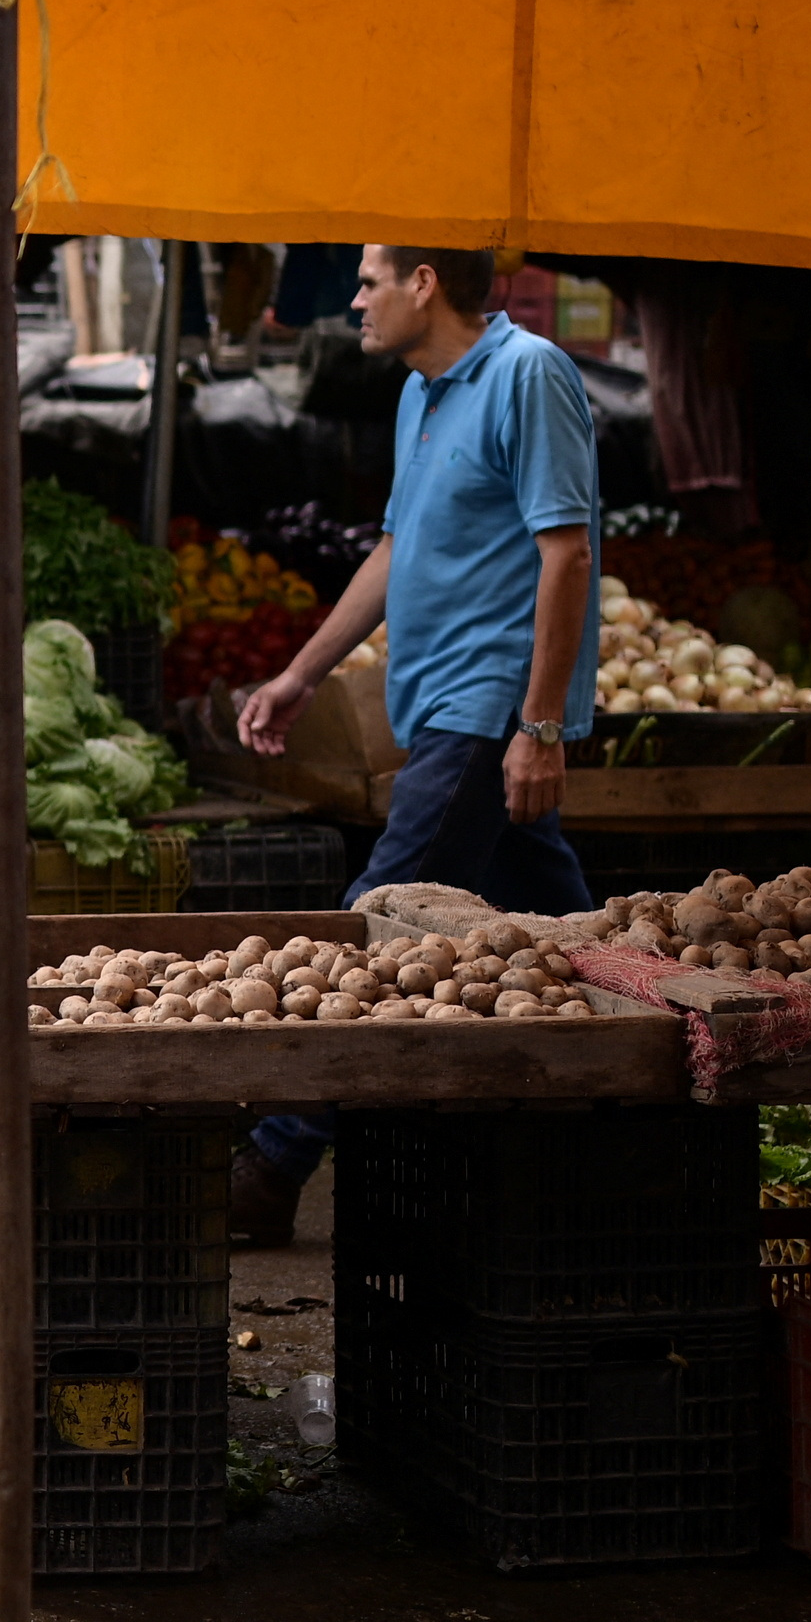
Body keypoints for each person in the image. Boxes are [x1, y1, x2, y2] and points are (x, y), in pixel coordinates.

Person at [231, 243, 598, 1243]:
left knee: (373, 930)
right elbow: (392, 551)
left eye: (367, 281)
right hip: (437, 708)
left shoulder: (529, 375)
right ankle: (635, 1118)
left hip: (487, 714)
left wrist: (537, 725)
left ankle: (273, 1161)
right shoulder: (418, 394)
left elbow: (565, 554)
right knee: (572, 940)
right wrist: (300, 674)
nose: (351, 301)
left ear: (424, 283)